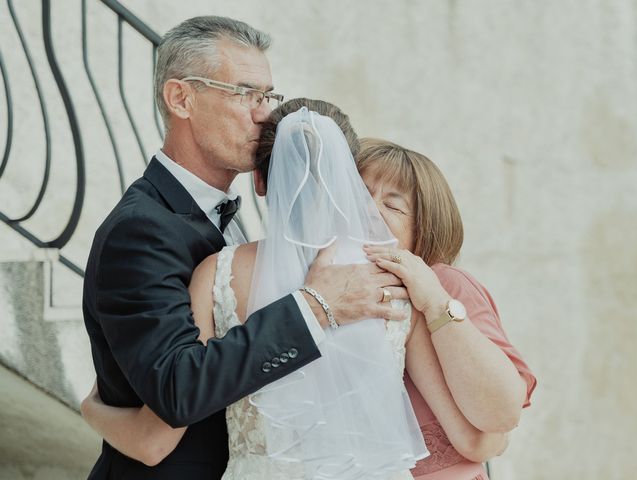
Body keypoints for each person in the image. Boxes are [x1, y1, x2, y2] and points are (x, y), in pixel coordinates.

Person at [82, 99, 536, 479]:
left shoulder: (215, 274)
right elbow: (479, 434)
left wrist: (93, 408)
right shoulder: (391, 283)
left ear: (260, 181)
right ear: (347, 183)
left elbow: (156, 439)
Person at [82, 17, 408, 480]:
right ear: (182, 99)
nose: (265, 114)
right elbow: (177, 388)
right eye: (246, 94)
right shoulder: (140, 229)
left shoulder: (240, 227)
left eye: (269, 96)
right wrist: (314, 307)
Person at [357, 139, 537, 479]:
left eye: (393, 206)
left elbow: (498, 417)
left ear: (422, 229)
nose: (370, 210)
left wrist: (434, 300)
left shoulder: (444, 283)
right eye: (360, 194)